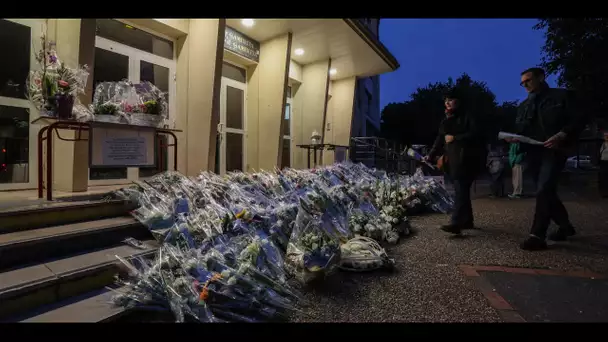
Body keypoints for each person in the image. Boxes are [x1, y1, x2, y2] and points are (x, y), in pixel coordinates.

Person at [509, 67, 586, 251]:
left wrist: (562, 135)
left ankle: (537, 235)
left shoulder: (561, 96)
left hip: (554, 150)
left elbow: (579, 118)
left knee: (544, 189)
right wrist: (514, 137)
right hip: (533, 152)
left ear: (541, 77)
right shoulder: (524, 105)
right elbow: (521, 128)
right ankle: (565, 227)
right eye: (522, 82)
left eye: (528, 80)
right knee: (546, 191)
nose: (525, 85)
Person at [424, 88, 486, 234]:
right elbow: (440, 139)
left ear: (459, 101)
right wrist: (431, 155)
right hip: (453, 160)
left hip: (468, 159)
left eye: (450, 99)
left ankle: (456, 223)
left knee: (460, 191)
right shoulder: (446, 118)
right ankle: (467, 221)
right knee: (462, 190)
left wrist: (456, 138)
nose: (447, 102)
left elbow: (477, 134)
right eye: (445, 100)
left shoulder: (468, 116)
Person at [599, 133, 608, 197]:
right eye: (605, 136)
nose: (605, 137)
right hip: (603, 162)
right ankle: (604, 193)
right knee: (603, 177)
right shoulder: (603, 144)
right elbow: (600, 152)